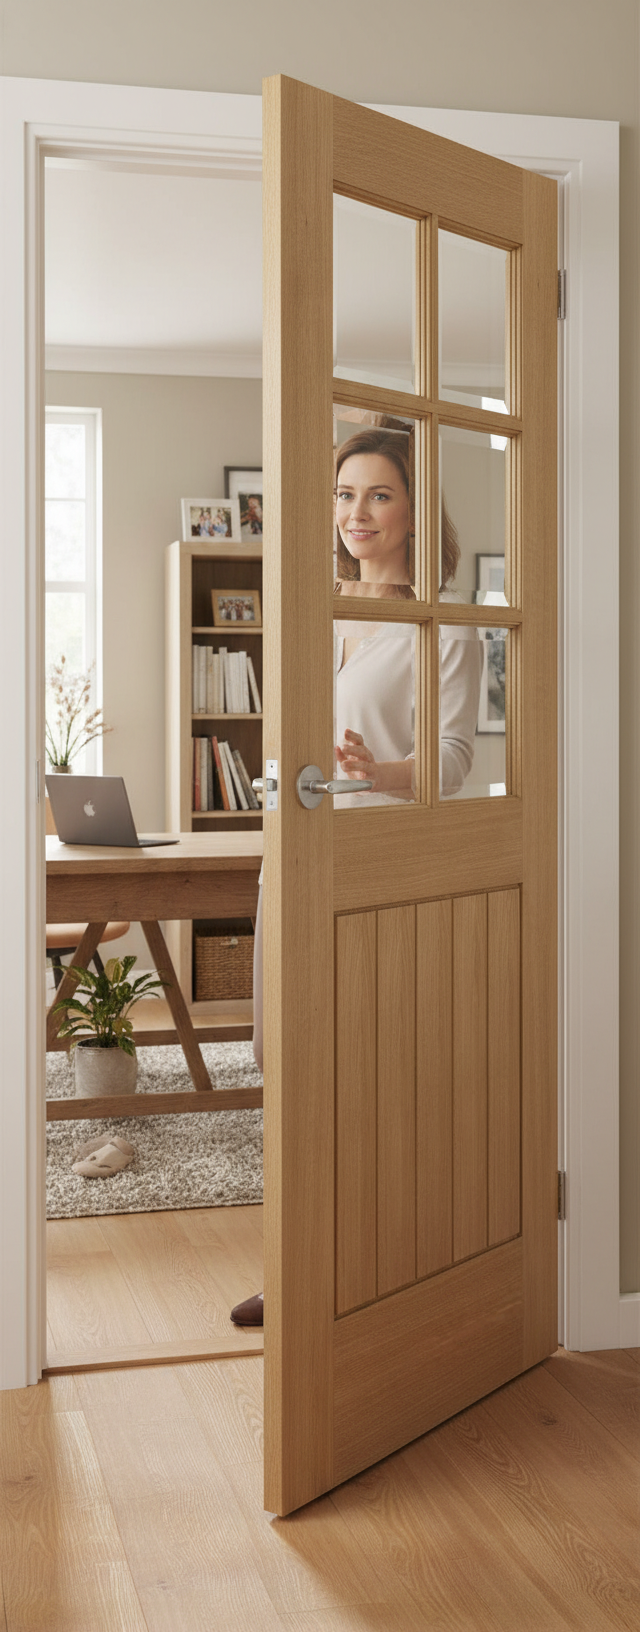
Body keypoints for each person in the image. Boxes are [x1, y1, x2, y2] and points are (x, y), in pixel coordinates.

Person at [230, 428, 482, 1329]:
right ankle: (300, 1263)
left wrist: (376, 774)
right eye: (344, 495)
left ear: (416, 511)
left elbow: (451, 760)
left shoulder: (439, 627)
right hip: (291, 854)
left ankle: (368, 1271)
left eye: (378, 495)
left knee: (363, 1070)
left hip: (373, 864)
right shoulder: (315, 608)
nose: (355, 514)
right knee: (276, 1054)